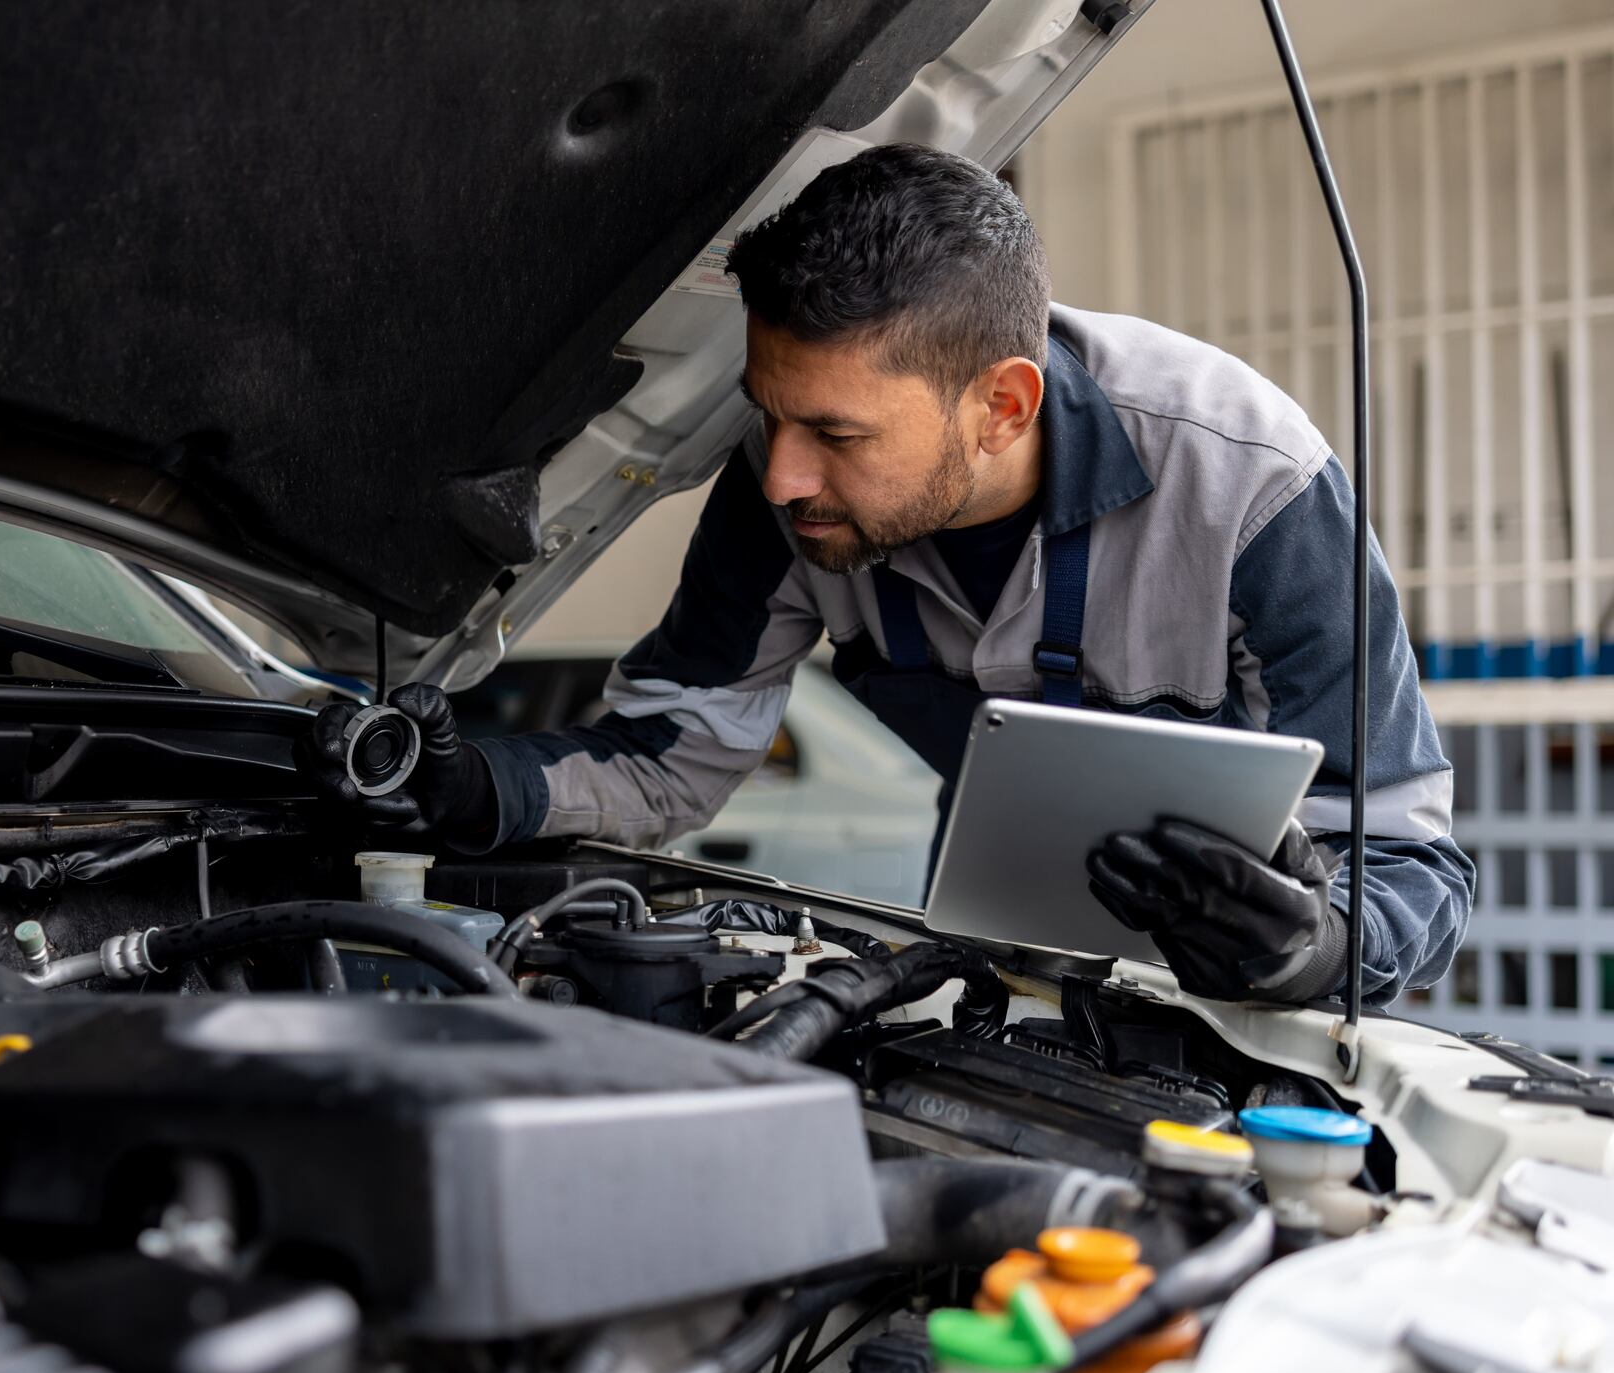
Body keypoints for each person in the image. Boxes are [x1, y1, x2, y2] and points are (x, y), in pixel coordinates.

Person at [305, 143, 1470, 1007]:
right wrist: (483, 790)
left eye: (838, 433)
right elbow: (668, 759)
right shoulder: (787, 475)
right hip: (972, 984)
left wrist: (1317, 947)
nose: (780, 476)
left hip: (1222, 1036)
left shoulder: (1250, 488)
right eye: (771, 415)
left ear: (1000, 406)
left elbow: (1412, 860)